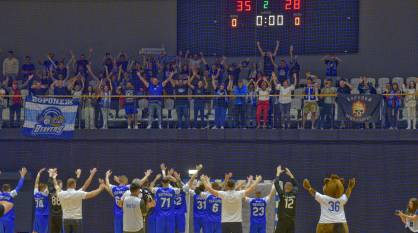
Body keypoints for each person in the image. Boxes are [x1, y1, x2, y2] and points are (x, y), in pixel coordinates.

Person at [53, 168, 105, 233]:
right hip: (77, 219)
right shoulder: (78, 193)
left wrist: (54, 177)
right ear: (74, 185)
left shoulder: (61, 194)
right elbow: (91, 193)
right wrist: (100, 188)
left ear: (67, 185)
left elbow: (56, 187)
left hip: (66, 219)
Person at [0, 167, 27, 233]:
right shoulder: (11, 194)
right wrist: (22, 176)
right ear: (9, 189)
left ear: (2, 189)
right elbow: (19, 186)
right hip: (9, 220)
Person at [274, 166, 298, 233]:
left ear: (284, 188)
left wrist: (278, 173)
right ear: (292, 189)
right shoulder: (294, 194)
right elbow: (296, 185)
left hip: (282, 221)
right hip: (291, 222)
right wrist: (290, 174)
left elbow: (276, 183)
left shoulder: (282, 195)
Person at [33, 168, 49, 233]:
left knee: (35, 231)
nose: (46, 188)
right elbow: (49, 185)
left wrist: (39, 173)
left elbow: (36, 183)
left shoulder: (35, 193)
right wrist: (51, 175)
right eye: (45, 188)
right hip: (43, 215)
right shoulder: (45, 194)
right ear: (43, 188)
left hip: (37, 214)